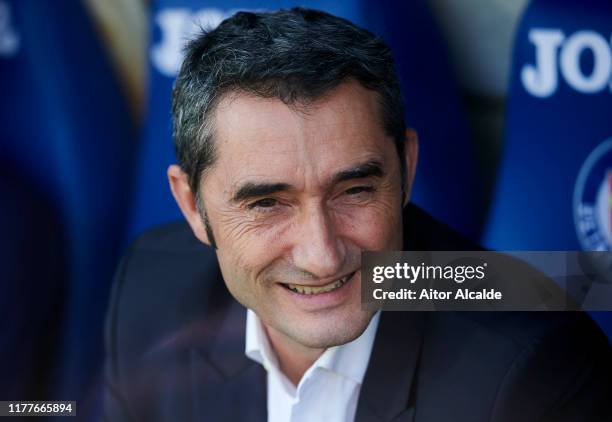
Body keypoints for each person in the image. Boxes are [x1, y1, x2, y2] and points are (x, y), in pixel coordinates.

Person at [103, 8, 612, 422]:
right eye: (266, 204)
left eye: (355, 190)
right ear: (191, 204)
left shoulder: (534, 366)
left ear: (406, 168)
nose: (322, 256)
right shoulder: (150, 290)